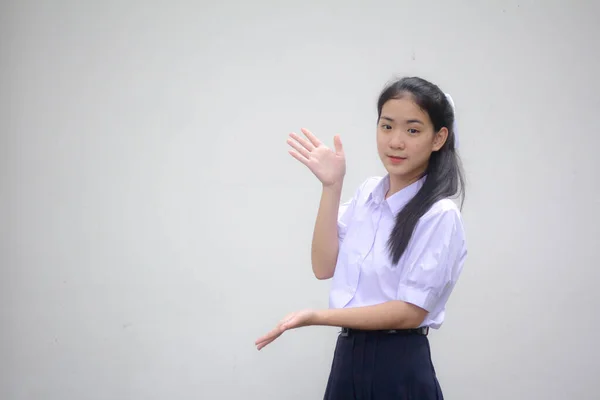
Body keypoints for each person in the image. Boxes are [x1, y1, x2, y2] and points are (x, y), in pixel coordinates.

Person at [255, 76, 467, 399]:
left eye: (412, 130)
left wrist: (317, 317)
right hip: (348, 357)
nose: (396, 141)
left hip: (399, 363)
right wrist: (331, 187)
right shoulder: (368, 193)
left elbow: (410, 312)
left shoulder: (439, 215)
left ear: (438, 138)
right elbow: (323, 266)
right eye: (387, 126)